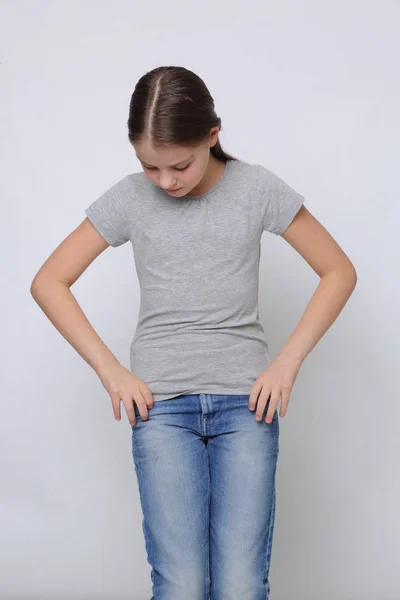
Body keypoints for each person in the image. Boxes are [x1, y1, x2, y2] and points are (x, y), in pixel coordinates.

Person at [30, 65, 357, 599]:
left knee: (240, 584)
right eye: (149, 167)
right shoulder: (131, 198)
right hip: (161, 411)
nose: (166, 182)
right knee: (180, 585)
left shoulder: (256, 188)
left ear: (212, 136)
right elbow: (49, 281)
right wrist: (111, 371)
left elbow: (338, 271)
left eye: (179, 165)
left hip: (246, 409)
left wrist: (285, 363)